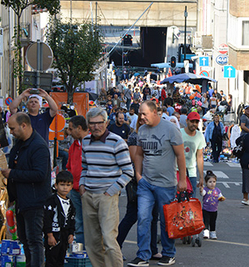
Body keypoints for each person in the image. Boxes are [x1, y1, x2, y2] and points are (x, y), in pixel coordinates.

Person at [128, 101, 187, 267]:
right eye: (140, 113)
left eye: (144, 113)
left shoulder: (170, 129)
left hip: (166, 183)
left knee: (166, 220)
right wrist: (138, 175)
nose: (141, 117)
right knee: (143, 218)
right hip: (146, 182)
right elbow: (139, 154)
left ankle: (168, 253)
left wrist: (182, 179)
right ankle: (143, 256)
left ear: (155, 112)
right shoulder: (142, 130)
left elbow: (180, 155)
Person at [80, 107, 134, 267]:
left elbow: (128, 172)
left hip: (107, 197)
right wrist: (82, 185)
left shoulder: (117, 142)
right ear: (88, 125)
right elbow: (84, 166)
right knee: (92, 241)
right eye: (92, 123)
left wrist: (110, 192)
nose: (96, 127)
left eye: (99, 123)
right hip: (88, 194)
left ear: (106, 123)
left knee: (109, 239)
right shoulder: (85, 141)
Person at [2, 112, 51, 267]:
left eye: (12, 128)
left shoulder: (38, 146)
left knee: (34, 241)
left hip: (35, 201)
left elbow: (40, 174)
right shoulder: (19, 144)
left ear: (24, 125)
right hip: (22, 201)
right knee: (24, 239)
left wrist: (12, 174)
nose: (11, 132)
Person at [118, 114, 162, 261]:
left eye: (146, 120)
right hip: (137, 180)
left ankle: (153, 249)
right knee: (132, 215)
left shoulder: (154, 135)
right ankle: (116, 247)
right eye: (141, 121)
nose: (144, 123)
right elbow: (134, 158)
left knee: (153, 216)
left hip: (154, 179)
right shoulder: (134, 137)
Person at [44, 171, 76, 267]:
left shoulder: (70, 204)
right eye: (62, 185)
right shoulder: (51, 201)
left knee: (61, 258)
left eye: (67, 185)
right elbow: (47, 219)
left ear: (71, 186)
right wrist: (49, 235)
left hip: (64, 235)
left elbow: (72, 220)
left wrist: (71, 233)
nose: (65, 188)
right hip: (54, 234)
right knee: (51, 259)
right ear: (56, 185)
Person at [66, 115, 88, 247]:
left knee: (91, 223)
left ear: (79, 128)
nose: (69, 132)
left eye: (70, 129)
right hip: (74, 191)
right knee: (79, 223)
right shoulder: (73, 146)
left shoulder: (92, 143)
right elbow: (69, 166)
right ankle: (82, 252)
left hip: (88, 190)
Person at [181, 112, 206, 196]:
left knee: (191, 201)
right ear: (187, 121)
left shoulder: (199, 136)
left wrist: (201, 177)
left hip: (192, 173)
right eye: (192, 121)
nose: (194, 124)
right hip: (178, 172)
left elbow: (199, 157)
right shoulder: (179, 133)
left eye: (196, 122)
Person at [201, 170, 225, 240]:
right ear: (206, 183)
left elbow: (220, 196)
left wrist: (221, 199)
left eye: (214, 182)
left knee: (213, 221)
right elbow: (202, 194)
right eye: (210, 182)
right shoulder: (205, 189)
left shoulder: (217, 190)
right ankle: (206, 232)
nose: (212, 184)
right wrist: (201, 189)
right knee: (206, 221)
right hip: (206, 209)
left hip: (214, 209)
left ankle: (213, 232)